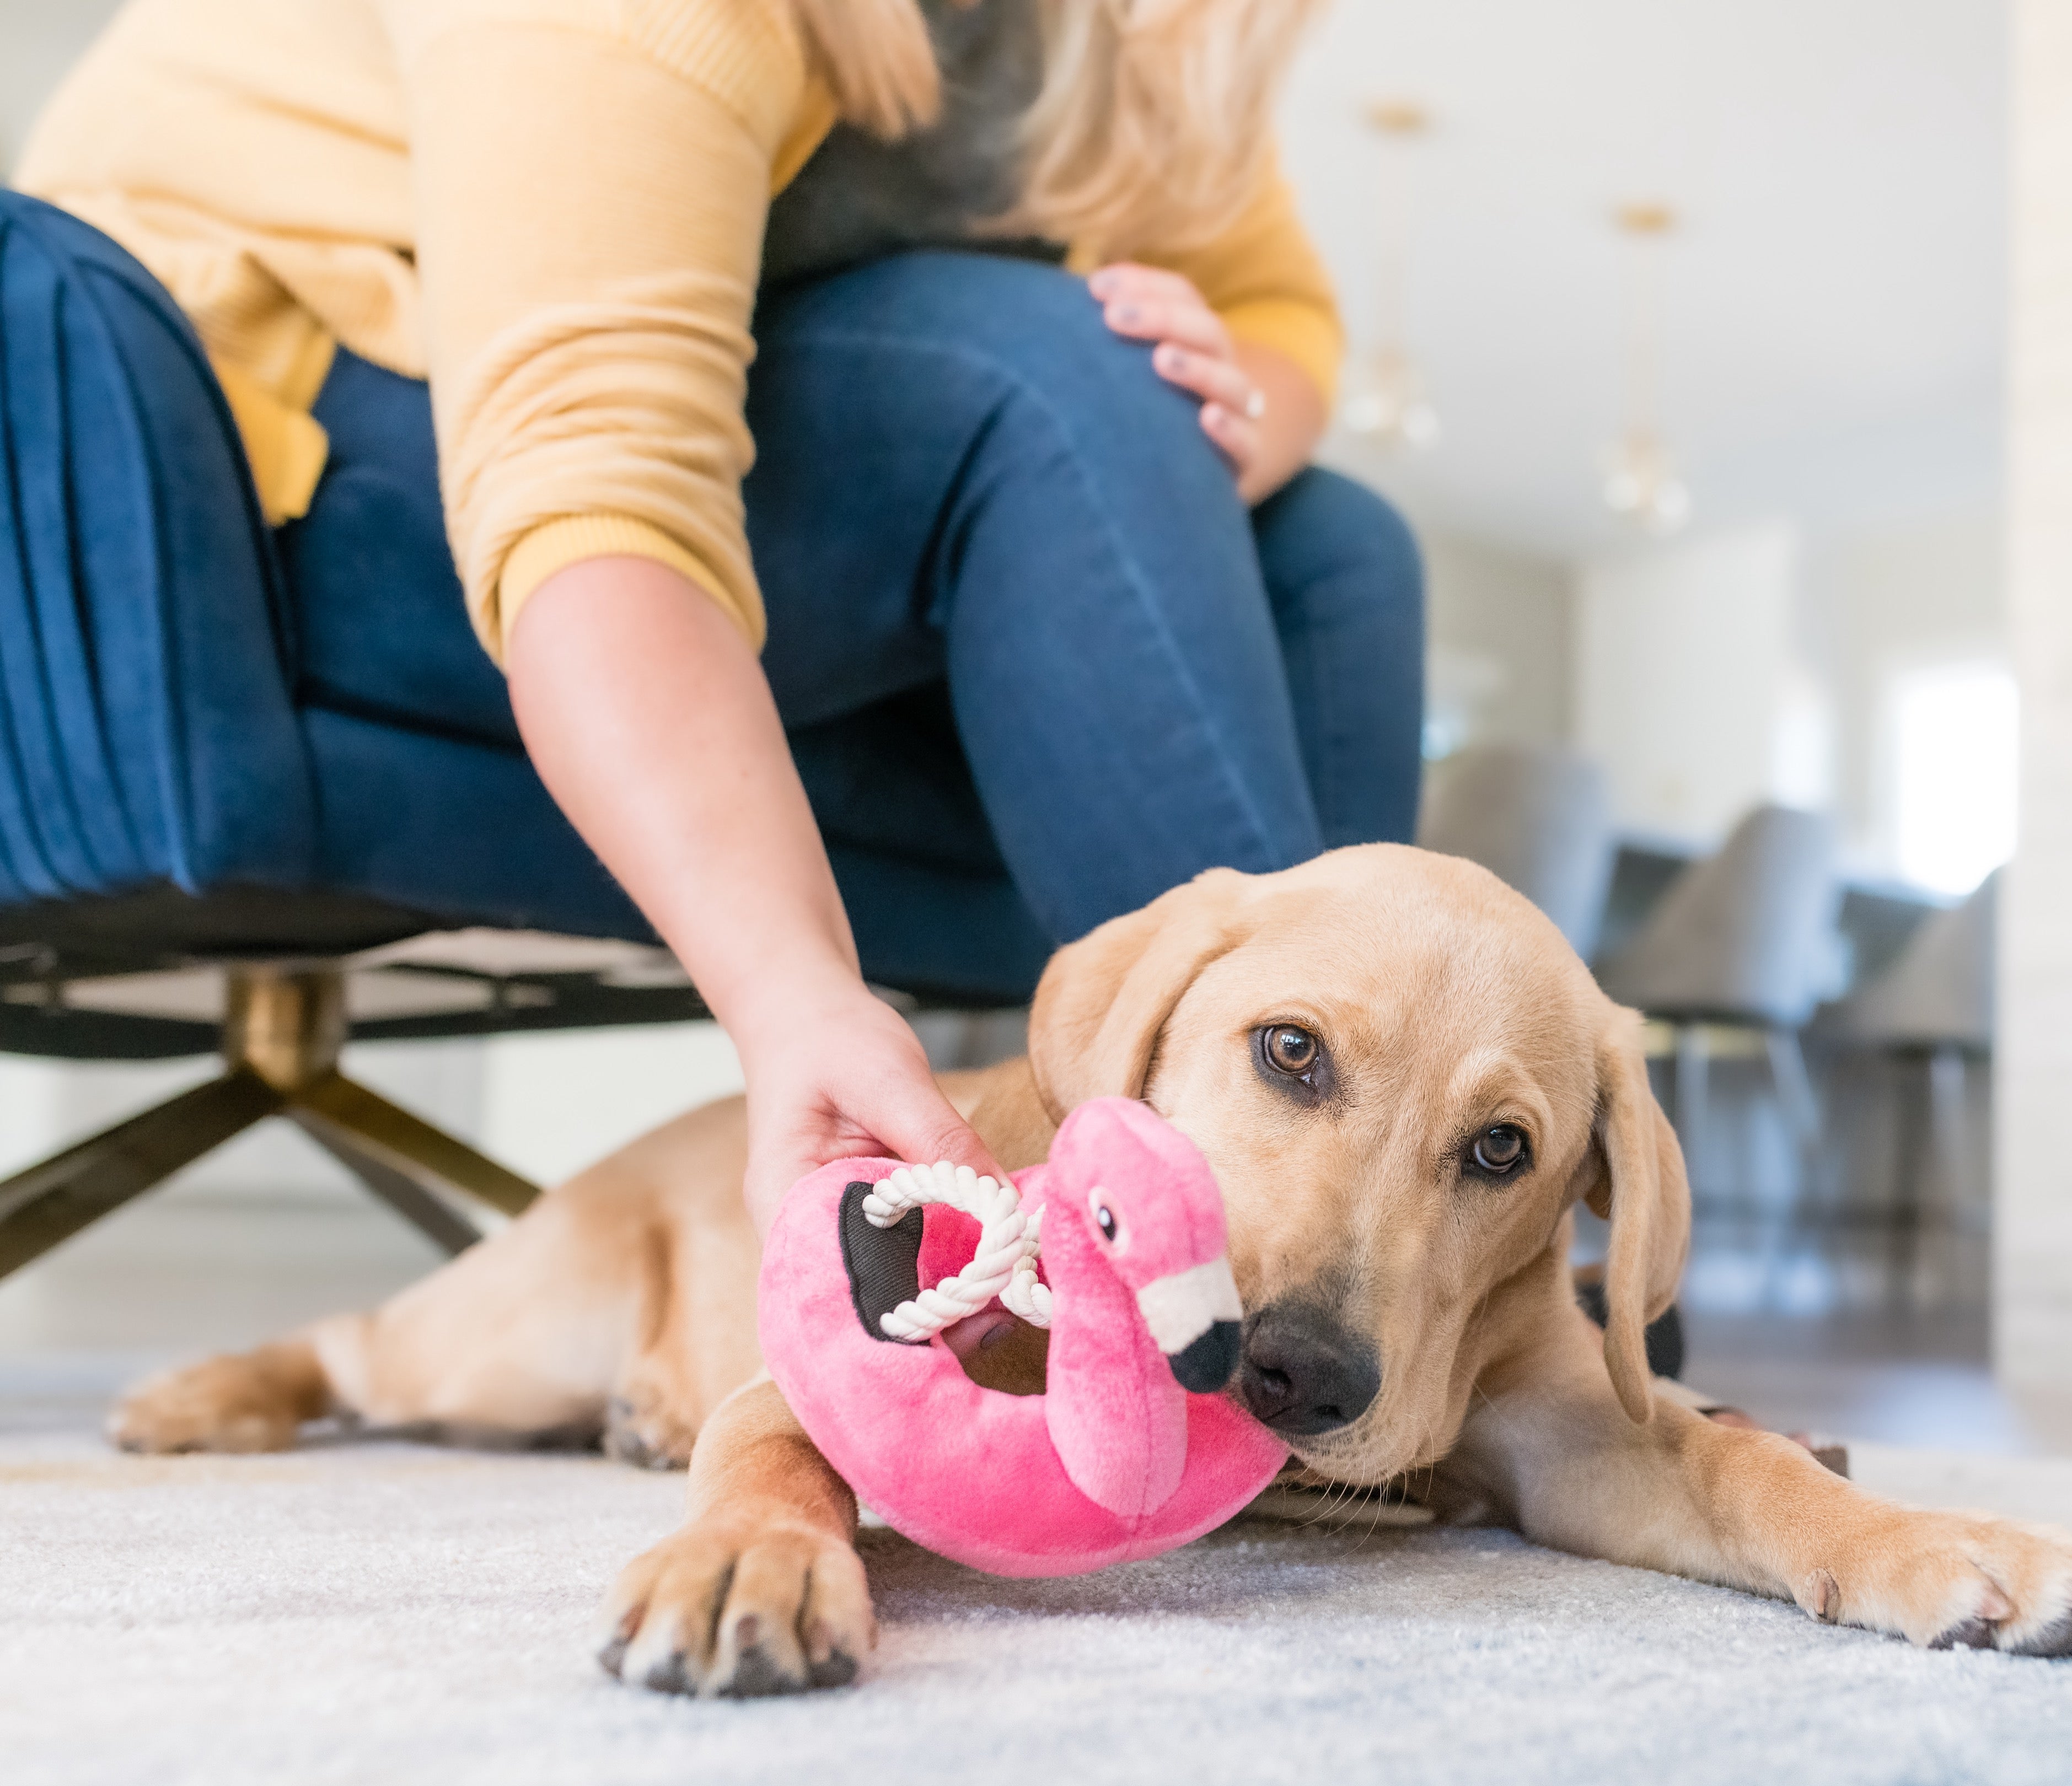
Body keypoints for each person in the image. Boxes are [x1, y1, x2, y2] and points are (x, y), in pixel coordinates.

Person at [9, 0, 1423, 1220]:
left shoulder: (1127, 41)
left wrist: (1220, 420)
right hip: (213, 484)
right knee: (1051, 381)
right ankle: (1249, 1265)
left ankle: (1370, 1241)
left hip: (683, 452)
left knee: (1338, 549)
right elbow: (598, 497)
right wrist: (792, 999)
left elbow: (1272, 310)